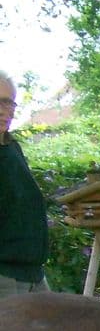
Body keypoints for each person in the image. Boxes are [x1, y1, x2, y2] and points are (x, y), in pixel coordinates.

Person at [0, 69, 51, 298]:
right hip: (5, 277)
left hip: (32, 274)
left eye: (9, 103)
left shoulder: (12, 149)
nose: (4, 110)